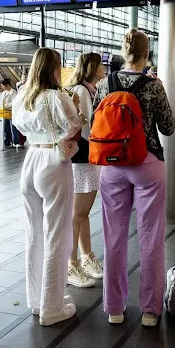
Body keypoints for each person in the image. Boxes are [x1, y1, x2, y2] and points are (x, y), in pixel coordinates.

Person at [94, 29, 175, 327]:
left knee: (113, 236)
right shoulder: (153, 86)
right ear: (147, 53)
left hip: (112, 165)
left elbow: (95, 121)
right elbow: (168, 127)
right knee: (151, 237)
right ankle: (150, 311)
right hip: (146, 162)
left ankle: (114, 308)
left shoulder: (105, 83)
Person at [12, 48, 82, 327]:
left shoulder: (22, 97)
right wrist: (75, 106)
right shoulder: (57, 96)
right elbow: (75, 127)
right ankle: (53, 306)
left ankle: (36, 300)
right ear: (53, 68)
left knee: (34, 234)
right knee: (57, 234)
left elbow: (18, 126)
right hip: (53, 161)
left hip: (30, 161)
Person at [65, 53, 106, 288]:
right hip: (82, 157)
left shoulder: (89, 89)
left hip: (87, 157)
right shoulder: (81, 91)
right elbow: (83, 126)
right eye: (100, 64)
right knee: (77, 214)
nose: (103, 68)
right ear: (91, 67)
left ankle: (86, 256)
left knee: (82, 213)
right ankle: (72, 264)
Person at [1, 79, 21, 148]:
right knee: (6, 128)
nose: (3, 87)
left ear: (7, 85)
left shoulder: (14, 92)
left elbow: (14, 102)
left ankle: (16, 142)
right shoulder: (4, 93)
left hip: (12, 112)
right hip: (5, 112)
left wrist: (5, 105)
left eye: (4, 86)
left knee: (13, 127)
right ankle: (7, 141)